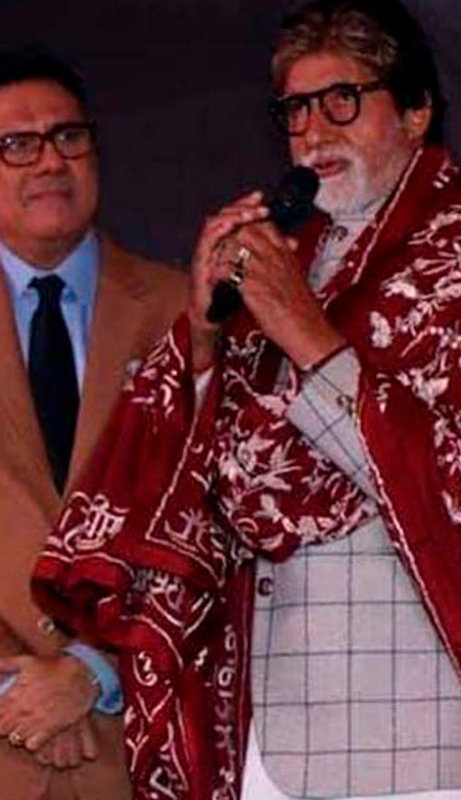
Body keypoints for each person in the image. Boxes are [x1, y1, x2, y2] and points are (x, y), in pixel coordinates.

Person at [32, 2, 461, 800]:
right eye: (294, 109)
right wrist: (202, 337)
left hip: (430, 746)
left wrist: (304, 330)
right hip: (265, 744)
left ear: (417, 111)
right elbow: (198, 484)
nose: (313, 131)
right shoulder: (281, 261)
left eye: (341, 100)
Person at [0, 49, 187, 800]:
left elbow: (217, 528)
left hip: (141, 743)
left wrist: (92, 670)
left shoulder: (189, 313)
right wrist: (21, 692)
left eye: (68, 136)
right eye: (18, 144)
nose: (50, 161)